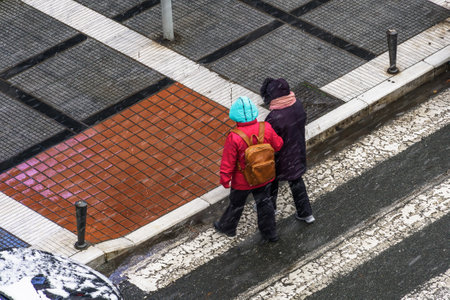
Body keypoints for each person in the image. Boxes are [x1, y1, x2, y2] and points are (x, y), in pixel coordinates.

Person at [214, 96, 283, 242]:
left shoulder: (234, 137)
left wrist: (225, 179)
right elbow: (278, 145)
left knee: (236, 204)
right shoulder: (266, 128)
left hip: (243, 180)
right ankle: (270, 234)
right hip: (264, 175)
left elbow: (228, 162)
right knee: (265, 203)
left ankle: (228, 227)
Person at [260, 78, 315, 224]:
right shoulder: (297, 104)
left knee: (272, 180)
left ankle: (271, 207)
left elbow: (268, 139)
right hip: (297, 150)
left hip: (281, 156)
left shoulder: (273, 118)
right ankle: (306, 213)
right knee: (296, 180)